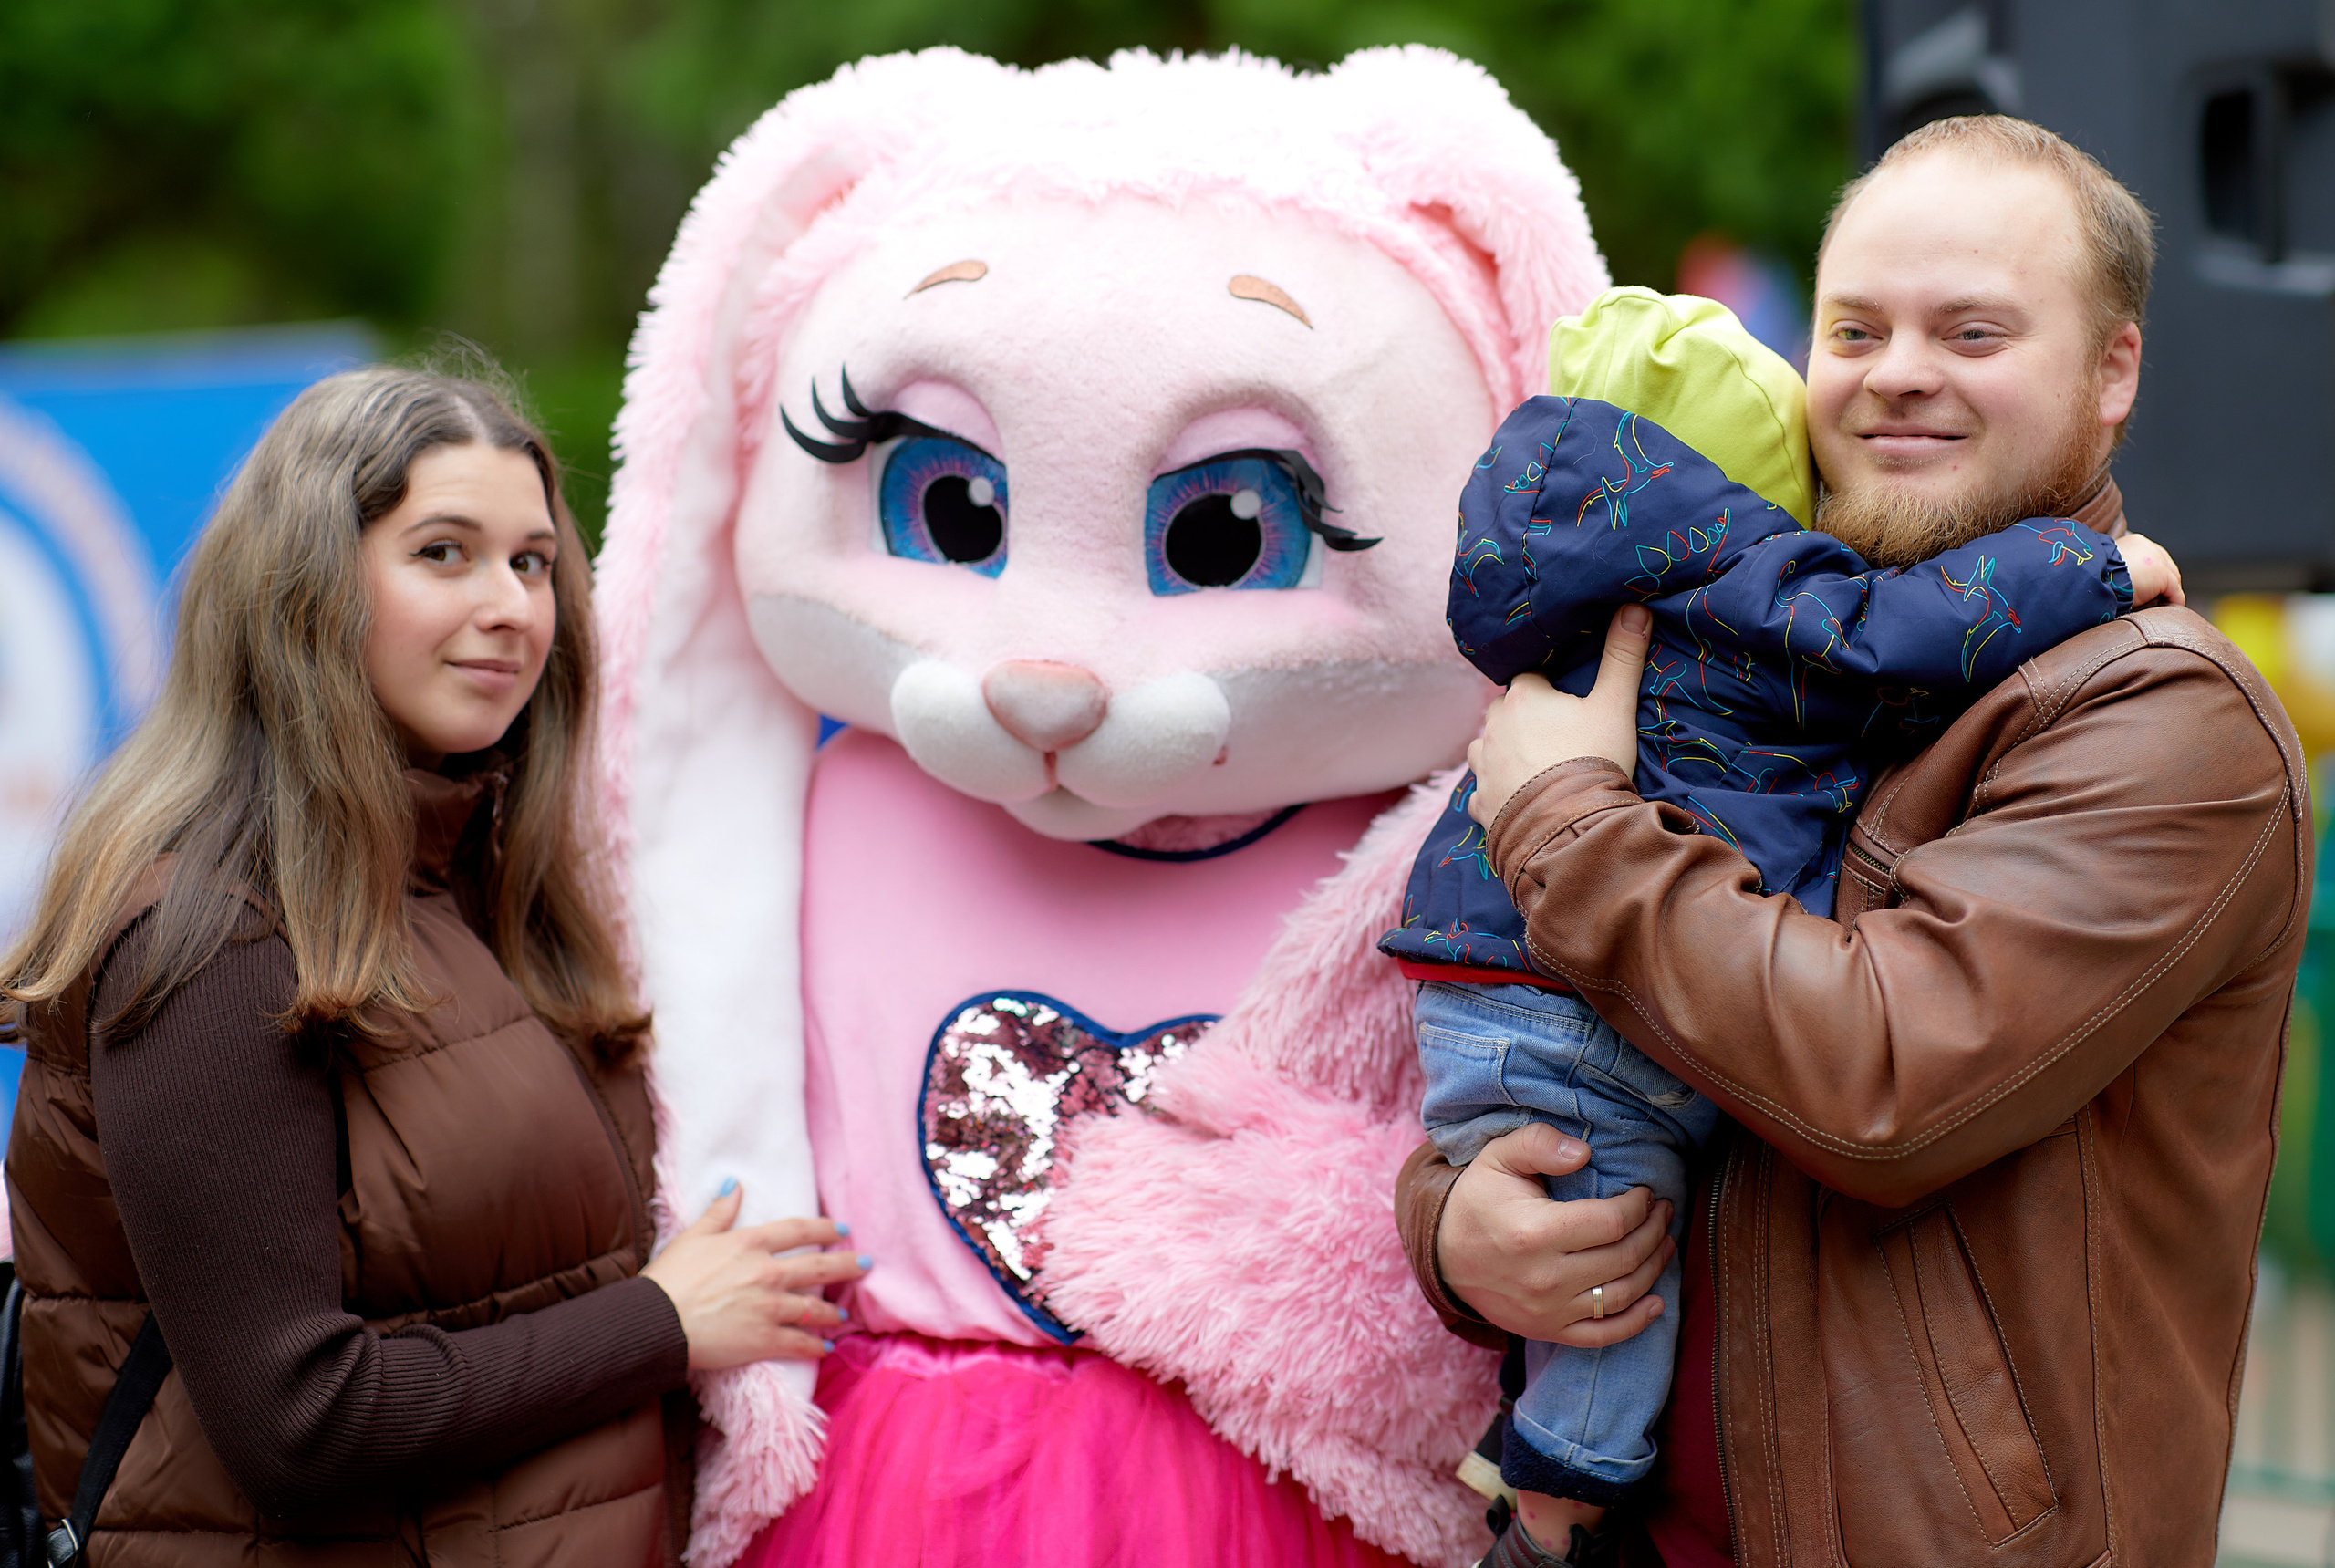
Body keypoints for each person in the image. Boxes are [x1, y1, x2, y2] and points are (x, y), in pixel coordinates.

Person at [1394, 116, 2309, 1567]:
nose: (1897, 375)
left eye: (1973, 330)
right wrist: (1463, 1226)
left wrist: (1565, 822)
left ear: (2112, 370)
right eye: (1856, 327)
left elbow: (1882, 1085)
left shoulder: (2159, 713)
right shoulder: (1792, 649)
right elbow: (1617, 1045)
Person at [0, 365, 866, 1564]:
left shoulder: (481, 887)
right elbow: (297, 1422)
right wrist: (664, 1321)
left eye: (530, 562)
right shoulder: (213, 935)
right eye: (444, 553)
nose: (512, 605)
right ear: (304, 587)